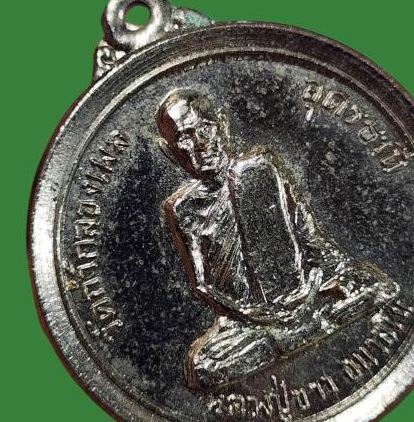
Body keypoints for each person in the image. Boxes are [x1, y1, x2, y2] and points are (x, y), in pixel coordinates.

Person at [156, 89, 398, 389]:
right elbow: (203, 285)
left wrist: (339, 271)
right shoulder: (184, 209)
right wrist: (249, 314)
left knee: (371, 286)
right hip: (247, 322)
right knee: (205, 366)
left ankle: (292, 329)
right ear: (170, 151)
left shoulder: (262, 168)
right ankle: (287, 333)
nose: (200, 145)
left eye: (204, 129)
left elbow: (306, 232)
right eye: (184, 139)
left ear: (222, 125)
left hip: (306, 294)